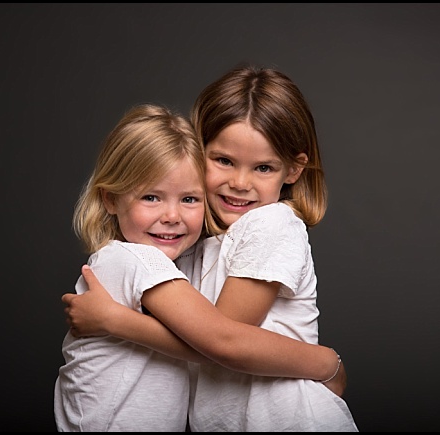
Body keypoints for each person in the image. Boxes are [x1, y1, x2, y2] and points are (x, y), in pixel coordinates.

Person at [63, 65, 358, 431]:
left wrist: (326, 362)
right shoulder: (189, 247)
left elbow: (221, 341)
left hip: (286, 419)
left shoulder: (270, 223)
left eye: (263, 168)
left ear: (294, 171)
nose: (239, 182)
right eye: (223, 161)